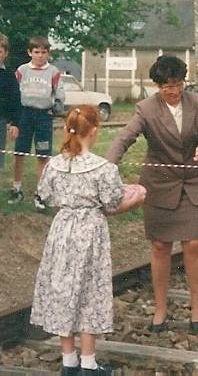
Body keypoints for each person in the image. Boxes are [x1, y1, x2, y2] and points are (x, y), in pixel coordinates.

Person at [30, 105, 146, 376]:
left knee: (63, 291)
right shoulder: (103, 168)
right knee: (89, 292)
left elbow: (45, 196)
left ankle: (68, 361)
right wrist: (137, 197)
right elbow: (113, 203)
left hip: (61, 232)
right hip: (90, 233)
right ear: (94, 131)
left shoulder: (54, 165)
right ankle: (89, 364)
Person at [106, 55, 198, 333]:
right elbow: (124, 138)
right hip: (160, 187)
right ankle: (160, 309)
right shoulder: (146, 109)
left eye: (178, 85)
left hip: (191, 185)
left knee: (192, 244)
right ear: (157, 86)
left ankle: (197, 307)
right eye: (167, 87)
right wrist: (107, 166)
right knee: (160, 247)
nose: (174, 91)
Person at [9, 35, 65, 209]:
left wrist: (56, 107)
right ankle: (16, 188)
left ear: (48, 53)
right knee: (19, 152)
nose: (40, 56)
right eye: (36, 52)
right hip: (24, 115)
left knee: (43, 155)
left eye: (43, 52)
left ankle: (40, 193)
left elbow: (59, 94)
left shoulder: (54, 72)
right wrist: (13, 118)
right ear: (29, 52)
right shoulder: (22, 70)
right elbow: (13, 92)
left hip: (43, 116)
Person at [0, 33, 21, 170]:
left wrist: (15, 123)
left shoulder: (9, 76)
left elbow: (15, 100)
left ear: (6, 53)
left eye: (0, 51)